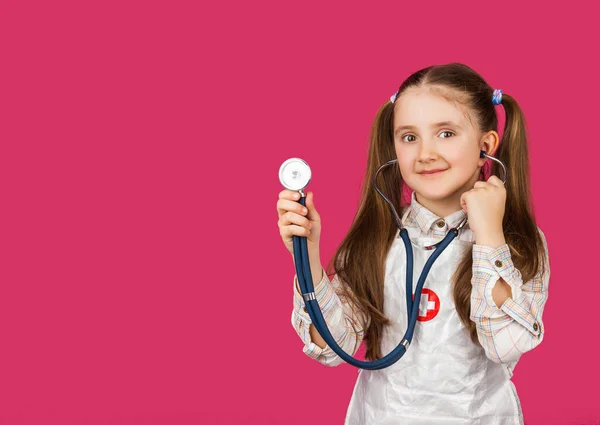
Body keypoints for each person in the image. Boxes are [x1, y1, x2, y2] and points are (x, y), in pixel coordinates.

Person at [276, 62, 550, 424]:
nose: (425, 153)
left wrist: (488, 235)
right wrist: (308, 256)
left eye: (446, 133)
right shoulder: (375, 238)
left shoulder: (519, 243)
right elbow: (331, 348)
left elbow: (506, 345)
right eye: (409, 137)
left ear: (486, 145)